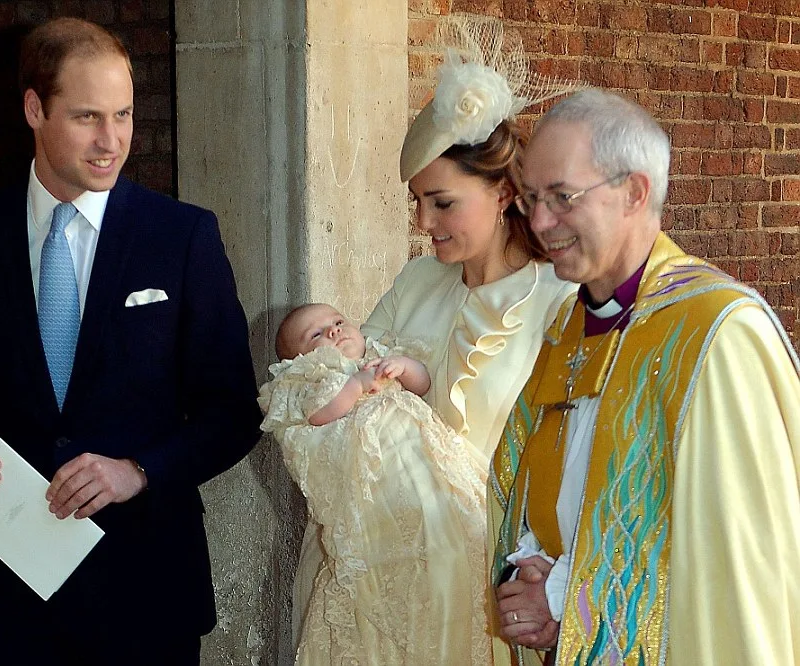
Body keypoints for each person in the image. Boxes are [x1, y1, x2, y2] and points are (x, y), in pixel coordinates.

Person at [0, 17, 261, 665]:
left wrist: (139, 471)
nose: (112, 141)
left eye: (124, 114)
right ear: (33, 109)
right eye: (88, 117)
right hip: (1, 597)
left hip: (146, 590)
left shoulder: (182, 238)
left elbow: (234, 411)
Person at [489, 88, 800, 666]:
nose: (538, 221)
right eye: (531, 198)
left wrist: (563, 597)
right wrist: (533, 570)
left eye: (562, 197)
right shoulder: (567, 325)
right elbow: (536, 480)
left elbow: (731, 560)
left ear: (634, 192)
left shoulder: (717, 333)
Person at [349, 15, 578, 660]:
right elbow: (352, 393)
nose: (424, 223)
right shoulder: (417, 282)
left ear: (504, 193)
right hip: (398, 580)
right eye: (417, 203)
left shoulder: (559, 303)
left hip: (496, 596)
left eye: (443, 203)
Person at [259, 303, 489, 664]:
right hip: (374, 481)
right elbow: (319, 413)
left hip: (423, 465)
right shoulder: (310, 378)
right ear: (298, 358)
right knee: (384, 556)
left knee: (454, 526)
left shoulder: (379, 354)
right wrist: (355, 386)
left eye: (337, 322)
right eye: (317, 334)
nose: (334, 332)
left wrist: (404, 368)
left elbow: (422, 382)